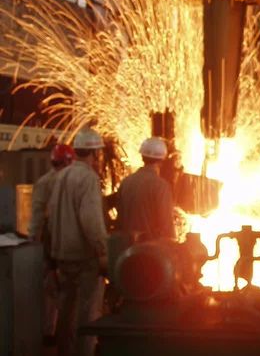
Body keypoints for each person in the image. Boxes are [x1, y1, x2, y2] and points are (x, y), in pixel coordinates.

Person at [48, 128, 108, 356]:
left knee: (65, 311)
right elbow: (90, 220)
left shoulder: (61, 176)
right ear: (95, 153)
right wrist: (103, 250)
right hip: (84, 258)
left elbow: (51, 216)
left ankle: (63, 352)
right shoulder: (88, 178)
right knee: (87, 314)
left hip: (62, 256)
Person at [28, 143, 75, 343]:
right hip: (67, 241)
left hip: (50, 241)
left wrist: (33, 240)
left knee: (50, 287)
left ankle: (49, 331)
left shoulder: (43, 182)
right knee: (65, 290)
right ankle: (63, 333)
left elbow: (37, 215)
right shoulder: (71, 181)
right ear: (69, 161)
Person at [116, 136, 176, 241]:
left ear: (142, 157)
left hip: (127, 247)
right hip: (150, 248)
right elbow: (166, 225)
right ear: (162, 160)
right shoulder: (161, 186)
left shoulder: (126, 182)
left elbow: (120, 217)